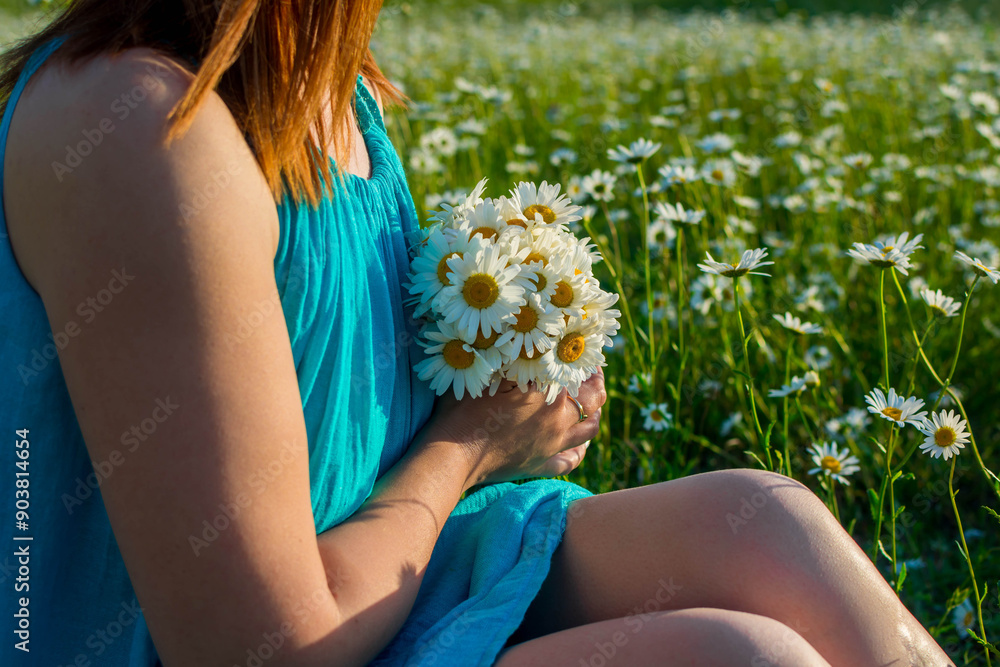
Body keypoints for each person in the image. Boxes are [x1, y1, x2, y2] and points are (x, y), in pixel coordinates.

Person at [0, 1, 953, 665]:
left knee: (771, 524)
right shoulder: (140, 125)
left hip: (384, 584)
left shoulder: (335, 94)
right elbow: (259, 645)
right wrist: (476, 441)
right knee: (742, 659)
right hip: (290, 633)